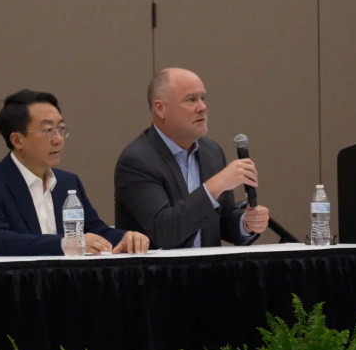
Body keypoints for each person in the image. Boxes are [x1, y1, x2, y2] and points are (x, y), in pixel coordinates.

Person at [0, 89, 149, 257]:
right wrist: (64, 244)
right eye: (48, 131)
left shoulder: (67, 182)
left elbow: (94, 230)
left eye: (61, 129)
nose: (58, 139)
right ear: (17, 140)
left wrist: (125, 238)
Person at [114, 68, 270, 249]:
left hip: (209, 266)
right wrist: (214, 187)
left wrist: (245, 223)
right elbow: (163, 232)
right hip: (159, 267)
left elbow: (221, 220)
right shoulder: (137, 161)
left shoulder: (211, 152)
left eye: (203, 98)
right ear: (160, 108)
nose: (202, 107)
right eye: (191, 100)